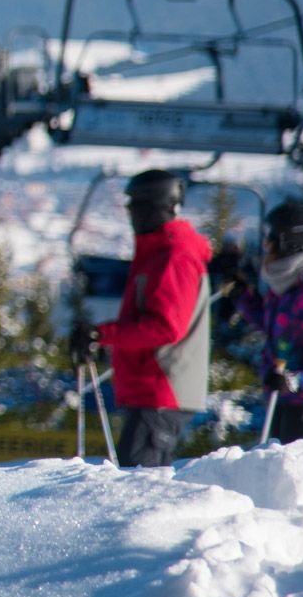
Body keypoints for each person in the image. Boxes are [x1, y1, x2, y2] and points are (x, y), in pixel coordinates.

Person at [71, 170, 211, 467]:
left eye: (137, 207)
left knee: (139, 486)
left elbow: (165, 326)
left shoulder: (175, 256)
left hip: (161, 388)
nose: (131, 215)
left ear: (157, 207)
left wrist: (102, 334)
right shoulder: (156, 253)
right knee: (136, 481)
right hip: (150, 389)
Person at [235, 200, 303, 443]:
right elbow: (280, 328)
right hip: (281, 397)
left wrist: (298, 379)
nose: (265, 245)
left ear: (292, 243)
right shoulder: (287, 283)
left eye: (272, 239)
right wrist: (241, 297)